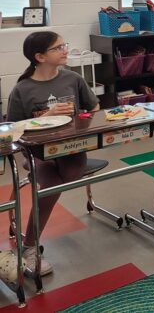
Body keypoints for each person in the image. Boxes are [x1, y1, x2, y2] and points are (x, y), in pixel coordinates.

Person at [6, 32, 100, 277]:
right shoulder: (22, 89)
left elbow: (94, 108)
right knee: (50, 182)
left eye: (63, 45)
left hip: (72, 148)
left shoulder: (73, 78)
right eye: (58, 48)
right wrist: (47, 116)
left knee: (67, 173)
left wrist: (81, 119)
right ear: (40, 57)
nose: (65, 50)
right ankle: (30, 247)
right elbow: (13, 130)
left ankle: (29, 244)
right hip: (37, 152)